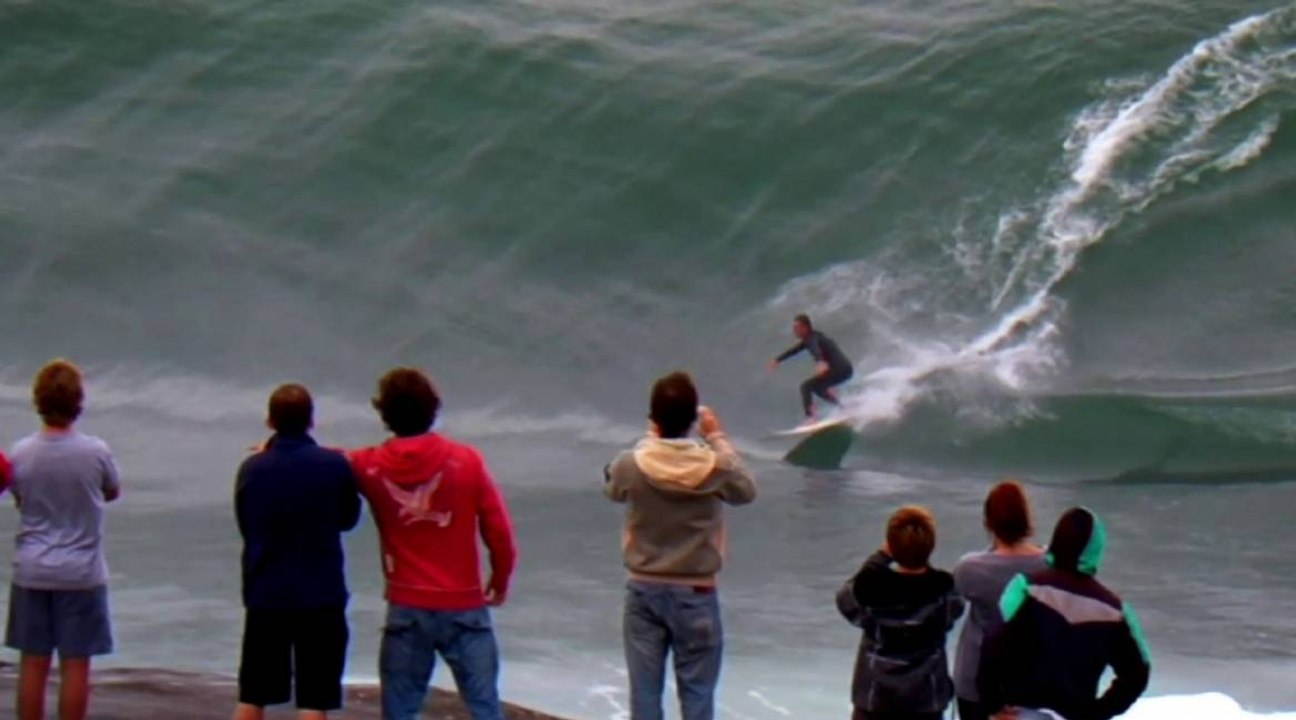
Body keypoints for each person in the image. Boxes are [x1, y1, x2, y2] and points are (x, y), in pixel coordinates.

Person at [348, 367, 517, 720]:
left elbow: (326, 461)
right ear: (433, 409)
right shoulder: (466, 460)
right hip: (465, 605)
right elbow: (498, 531)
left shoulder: (367, 465)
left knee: (401, 711)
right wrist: (499, 580)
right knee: (485, 708)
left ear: (384, 414)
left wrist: (280, 444)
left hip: (407, 605)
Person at [604, 371, 757, 720]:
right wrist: (716, 436)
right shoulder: (715, 466)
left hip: (643, 589)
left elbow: (612, 487)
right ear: (693, 421)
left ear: (653, 420)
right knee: (698, 697)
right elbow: (746, 490)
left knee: (644, 696)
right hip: (697, 594)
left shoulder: (633, 463)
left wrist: (650, 439)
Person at [233, 384, 362, 720]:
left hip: (267, 593)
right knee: (313, 700)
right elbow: (348, 519)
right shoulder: (334, 466)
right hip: (321, 595)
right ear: (311, 422)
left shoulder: (252, 469)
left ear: (270, 420)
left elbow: (246, 524)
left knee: (253, 695)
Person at [5, 360, 121, 720]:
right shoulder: (96, 451)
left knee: (33, 664)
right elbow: (112, 491)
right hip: (81, 572)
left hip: (32, 570)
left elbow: (18, 496)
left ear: (38, 400)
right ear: (78, 402)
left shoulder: (21, 453)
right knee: (75, 666)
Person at [978, 507, 1151, 720]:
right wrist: (1097, 713)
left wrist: (993, 704)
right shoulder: (1115, 611)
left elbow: (991, 643)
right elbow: (1137, 674)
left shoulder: (1024, 587)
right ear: (1096, 549)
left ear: (1057, 540)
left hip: (1020, 711)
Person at [836, 505, 965, 720]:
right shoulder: (945, 593)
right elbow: (955, 612)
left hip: (873, 699)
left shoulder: (870, 594)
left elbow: (845, 598)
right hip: (926, 700)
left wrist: (880, 557)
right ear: (930, 546)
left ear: (891, 547)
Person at [952, 482, 1047, 720]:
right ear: (1027, 518)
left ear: (988, 522)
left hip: (975, 683)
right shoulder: (1049, 565)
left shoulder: (970, 568)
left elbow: (949, 611)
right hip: (1030, 680)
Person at [767, 314, 854, 420]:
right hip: (845, 369)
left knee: (806, 386)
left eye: (796, 327)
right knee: (818, 388)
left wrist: (820, 361)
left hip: (839, 369)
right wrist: (777, 360)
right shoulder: (815, 336)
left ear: (805, 327)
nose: (794, 330)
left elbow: (815, 348)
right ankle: (844, 409)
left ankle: (811, 418)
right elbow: (795, 350)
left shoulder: (812, 338)